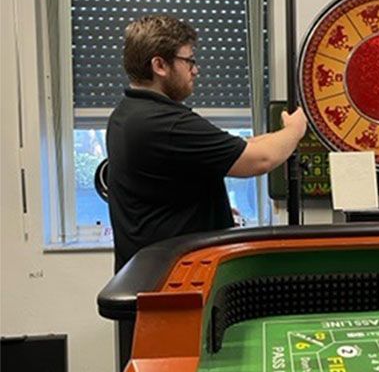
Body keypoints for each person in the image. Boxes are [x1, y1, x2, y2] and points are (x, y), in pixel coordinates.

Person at [106, 14, 307, 273]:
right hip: (171, 284)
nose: (195, 69)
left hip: (150, 273)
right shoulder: (166, 123)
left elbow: (238, 146)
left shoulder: (128, 113)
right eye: (189, 60)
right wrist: (296, 129)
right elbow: (259, 159)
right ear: (159, 65)